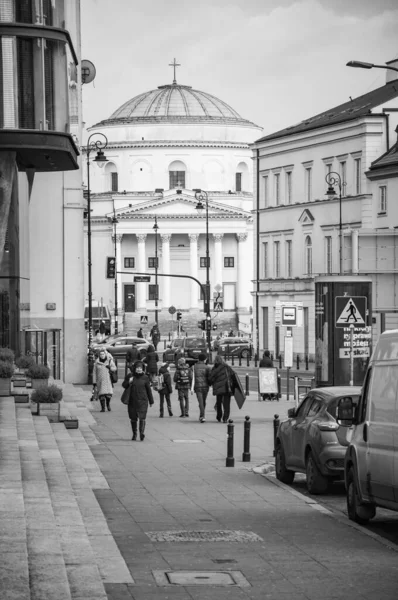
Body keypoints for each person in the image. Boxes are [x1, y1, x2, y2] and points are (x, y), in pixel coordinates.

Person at [122, 361, 154, 441]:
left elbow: (148, 390)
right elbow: (124, 385)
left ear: (142, 369)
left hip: (143, 400)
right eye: (137, 368)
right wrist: (129, 381)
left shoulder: (145, 377)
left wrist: (151, 401)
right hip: (132, 400)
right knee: (133, 418)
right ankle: (134, 434)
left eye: (140, 368)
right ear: (135, 369)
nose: (139, 370)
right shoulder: (130, 376)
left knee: (142, 417)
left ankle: (141, 433)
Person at [208, 355, 236, 423]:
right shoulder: (227, 367)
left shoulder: (214, 368)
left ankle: (219, 416)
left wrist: (210, 383)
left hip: (218, 388)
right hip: (227, 388)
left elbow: (210, 378)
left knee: (219, 402)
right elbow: (233, 375)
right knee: (227, 404)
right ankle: (225, 418)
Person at [92, 348, 117, 412]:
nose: (102, 355)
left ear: (105, 354)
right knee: (101, 395)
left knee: (108, 395)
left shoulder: (109, 361)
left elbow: (115, 368)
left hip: (108, 380)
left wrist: (110, 367)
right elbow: (94, 373)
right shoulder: (96, 363)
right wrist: (94, 382)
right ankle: (103, 408)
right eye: (101, 354)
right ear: (99, 355)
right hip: (100, 381)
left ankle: (108, 405)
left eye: (103, 354)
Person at [192, 353, 211, 423]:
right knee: (203, 401)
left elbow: (191, 377)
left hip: (197, 387)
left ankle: (202, 416)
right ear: (204, 359)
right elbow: (210, 378)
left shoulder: (194, 367)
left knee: (200, 402)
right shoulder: (207, 367)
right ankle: (202, 415)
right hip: (205, 387)